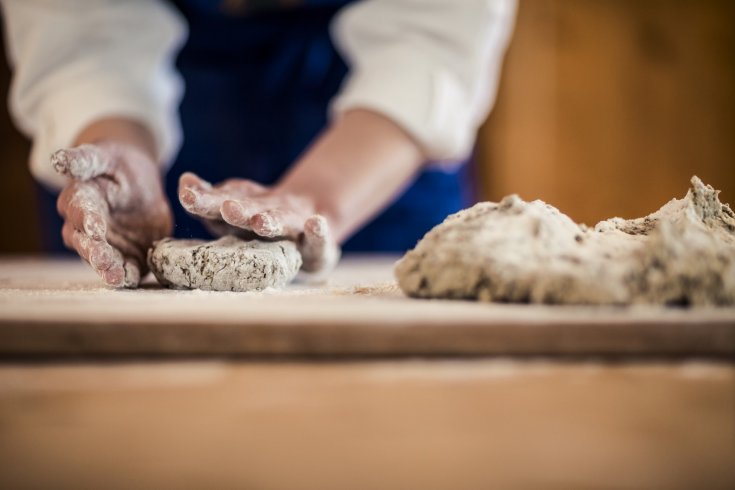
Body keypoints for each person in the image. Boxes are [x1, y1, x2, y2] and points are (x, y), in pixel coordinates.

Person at [1, 0, 516, 287]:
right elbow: (78, 23)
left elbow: (436, 35)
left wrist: (321, 200)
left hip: (379, 119)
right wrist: (113, 144)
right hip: (164, 73)